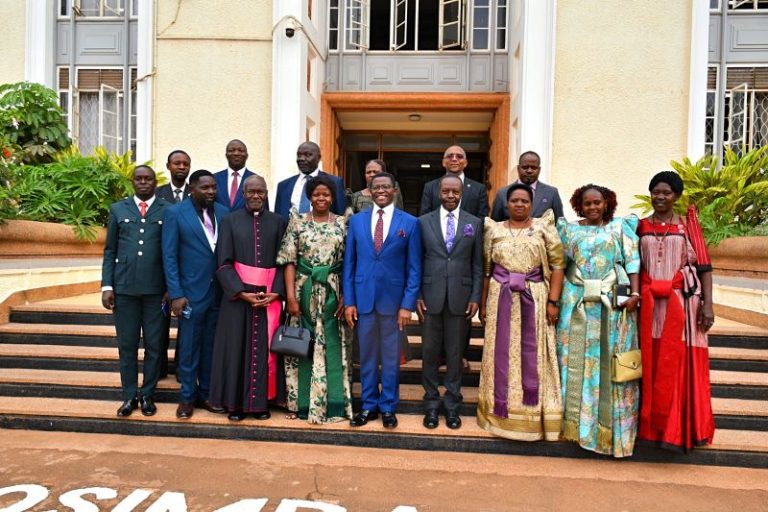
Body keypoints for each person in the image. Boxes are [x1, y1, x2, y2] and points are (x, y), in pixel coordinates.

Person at [556, 184, 640, 458]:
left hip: (612, 304)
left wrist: (635, 293)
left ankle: (608, 432)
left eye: (597, 203)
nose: (592, 207)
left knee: (609, 361)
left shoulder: (620, 227)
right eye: (587, 203)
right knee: (574, 359)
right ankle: (576, 429)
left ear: (607, 203)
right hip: (576, 303)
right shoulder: (568, 230)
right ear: (579, 205)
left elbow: (632, 263)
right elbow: (559, 264)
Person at [477, 183, 565, 441]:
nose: (518, 205)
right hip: (499, 298)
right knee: (499, 352)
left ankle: (530, 417)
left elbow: (558, 266)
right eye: (514, 200)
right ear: (506, 203)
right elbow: (486, 270)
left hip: (534, 298)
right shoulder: (493, 229)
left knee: (532, 353)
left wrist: (553, 301)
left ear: (531, 203)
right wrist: (483, 304)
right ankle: (497, 414)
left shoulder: (543, 227)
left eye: (524, 201)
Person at [636, 171, 715, 452]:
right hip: (649, 307)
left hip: (682, 305)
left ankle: (677, 431)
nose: (660, 197)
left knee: (678, 363)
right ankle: (649, 430)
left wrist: (708, 304)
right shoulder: (640, 226)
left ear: (677, 196)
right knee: (653, 361)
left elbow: (704, 267)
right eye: (656, 192)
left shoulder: (687, 226)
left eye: (667, 193)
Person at [344, 172, 422, 429]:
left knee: (390, 358)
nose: (381, 191)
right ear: (369, 189)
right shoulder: (356, 222)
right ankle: (368, 406)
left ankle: (388, 406)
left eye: (386, 187)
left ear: (394, 190)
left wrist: (407, 305)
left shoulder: (409, 223)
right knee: (366, 356)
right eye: (376, 187)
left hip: (393, 304)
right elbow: (350, 265)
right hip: (363, 301)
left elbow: (414, 268)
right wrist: (350, 302)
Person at [209, 175, 288, 421]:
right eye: (251, 192)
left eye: (261, 192)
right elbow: (223, 263)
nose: (256, 196)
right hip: (238, 299)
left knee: (266, 353)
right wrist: (242, 294)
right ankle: (236, 406)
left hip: (269, 298)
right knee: (237, 350)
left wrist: (276, 291)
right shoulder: (229, 221)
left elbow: (285, 261)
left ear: (266, 194)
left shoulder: (278, 222)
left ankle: (261, 404)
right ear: (243, 194)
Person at [277, 175, 353, 423]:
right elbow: (289, 259)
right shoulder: (296, 222)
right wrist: (290, 296)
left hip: (333, 290)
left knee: (332, 344)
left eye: (326, 194)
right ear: (310, 197)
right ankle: (300, 404)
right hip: (303, 289)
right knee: (303, 346)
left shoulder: (343, 223)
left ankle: (333, 405)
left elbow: (348, 263)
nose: (321, 198)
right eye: (317, 194)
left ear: (333, 197)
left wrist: (346, 295)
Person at [101, 166, 170, 417]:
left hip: (156, 291)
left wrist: (170, 289)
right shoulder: (118, 209)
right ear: (132, 182)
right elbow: (110, 251)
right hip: (124, 290)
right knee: (127, 346)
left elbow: (171, 252)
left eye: (148, 179)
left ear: (155, 182)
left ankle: (148, 396)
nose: (143, 183)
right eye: (139, 179)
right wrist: (107, 286)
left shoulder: (167, 210)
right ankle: (129, 396)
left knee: (154, 346)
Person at [416, 174, 483, 430]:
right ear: (439, 193)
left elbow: (478, 265)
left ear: (461, 193)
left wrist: (476, 296)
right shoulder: (422, 223)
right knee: (430, 354)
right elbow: (417, 261)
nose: (451, 196)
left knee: (455, 356)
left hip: (461, 299)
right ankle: (431, 405)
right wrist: (418, 295)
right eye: (446, 192)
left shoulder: (474, 223)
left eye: (455, 192)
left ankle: (453, 406)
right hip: (430, 298)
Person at [162, 169, 227, 419]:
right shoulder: (175, 214)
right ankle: (187, 397)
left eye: (213, 187)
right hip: (189, 295)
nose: (211, 192)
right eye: (205, 188)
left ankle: (207, 394)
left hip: (219, 294)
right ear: (192, 188)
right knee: (189, 347)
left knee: (211, 346)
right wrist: (176, 293)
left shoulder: (223, 212)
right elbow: (169, 256)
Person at [155, 149, 191, 379]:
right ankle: (158, 369)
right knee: (159, 324)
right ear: (168, 166)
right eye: (176, 163)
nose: (181, 167)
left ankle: (180, 367)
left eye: (185, 164)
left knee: (186, 323)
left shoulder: (196, 194)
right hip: (160, 272)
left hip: (187, 271)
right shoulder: (156, 195)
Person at [275, 141, 346, 219]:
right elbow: (277, 219)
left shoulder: (335, 182)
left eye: (308, 155)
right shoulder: (283, 186)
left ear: (319, 158)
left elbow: (341, 215)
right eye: (299, 155)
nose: (301, 159)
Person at [490, 151, 564, 221]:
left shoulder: (551, 193)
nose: (529, 171)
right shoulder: (503, 193)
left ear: (539, 169)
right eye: (525, 167)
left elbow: (560, 224)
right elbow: (495, 225)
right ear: (518, 168)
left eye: (533, 167)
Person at [419, 145, 488, 217]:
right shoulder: (430, 187)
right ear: (443, 162)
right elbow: (424, 217)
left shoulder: (479, 189)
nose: (454, 159)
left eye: (459, 156)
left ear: (465, 163)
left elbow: (482, 219)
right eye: (450, 156)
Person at [214, 139, 256, 213]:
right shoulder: (214, 178)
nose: (236, 153)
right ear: (226, 155)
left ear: (247, 155)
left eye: (241, 150)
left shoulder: (256, 180)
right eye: (231, 150)